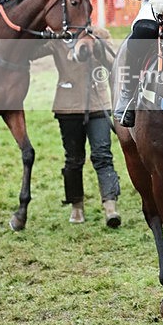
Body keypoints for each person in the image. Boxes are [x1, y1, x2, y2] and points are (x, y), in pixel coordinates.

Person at [50, 28, 121, 227]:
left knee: (103, 155)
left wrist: (98, 46)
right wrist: (44, 32)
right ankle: (76, 206)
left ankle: (110, 206)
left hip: (98, 105)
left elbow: (112, 64)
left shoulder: (101, 33)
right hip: (68, 107)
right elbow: (32, 51)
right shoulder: (57, 35)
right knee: (73, 159)